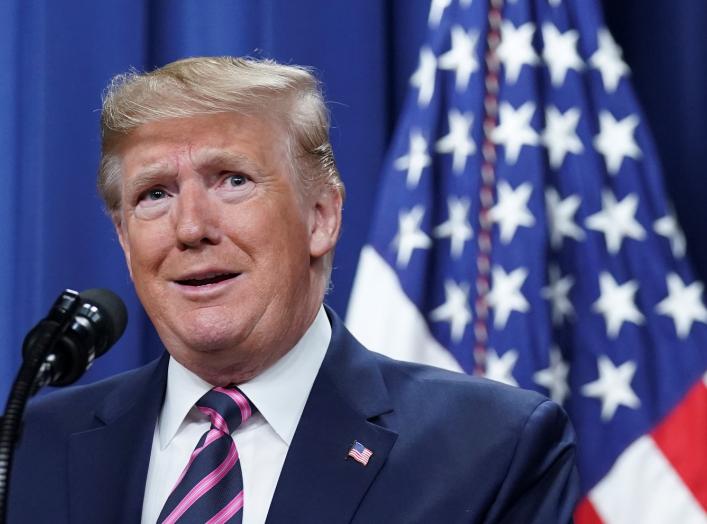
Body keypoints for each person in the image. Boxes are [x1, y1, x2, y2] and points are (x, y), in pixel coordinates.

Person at [8, 56, 578, 523]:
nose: (189, 228)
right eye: (154, 194)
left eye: (232, 180)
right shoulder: (27, 449)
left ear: (321, 218)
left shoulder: (491, 448)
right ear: (126, 241)